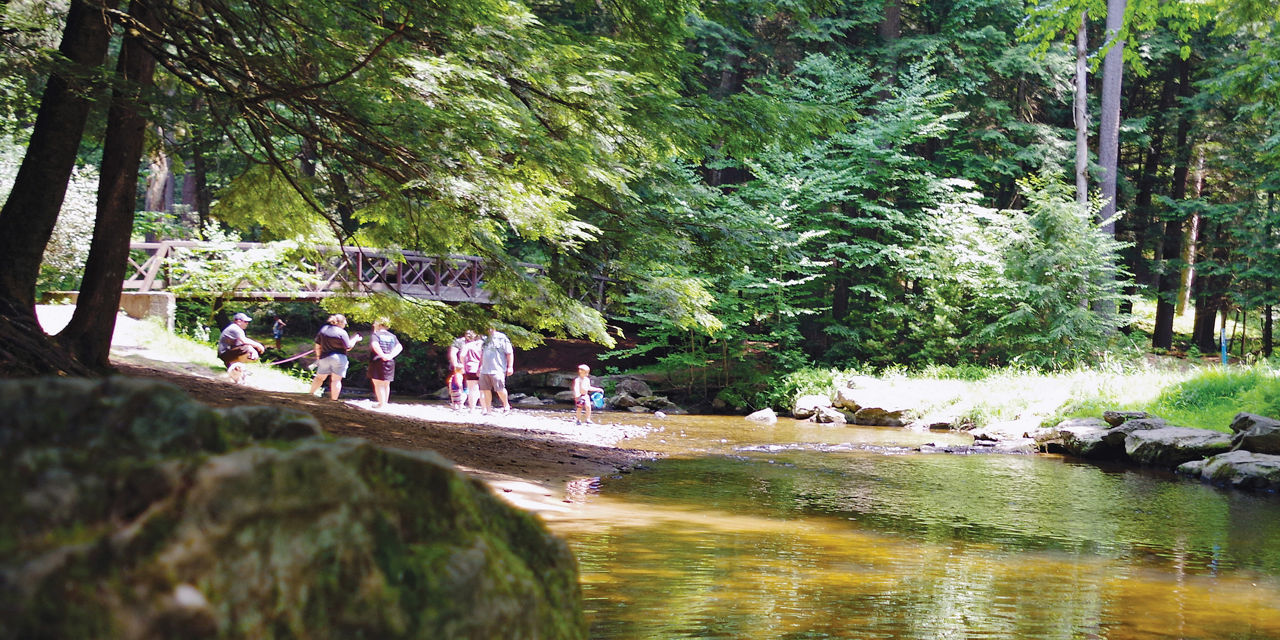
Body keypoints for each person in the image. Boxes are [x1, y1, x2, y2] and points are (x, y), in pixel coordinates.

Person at [309, 314, 362, 400]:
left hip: (324, 357)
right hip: (339, 358)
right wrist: (355, 339)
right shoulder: (342, 332)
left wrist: (318, 357)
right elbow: (348, 347)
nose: (345, 325)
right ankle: (334, 400)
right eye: (344, 323)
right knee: (336, 380)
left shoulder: (324, 329)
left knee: (319, 378)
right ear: (340, 323)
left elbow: (317, 345)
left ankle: (310, 394)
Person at [217, 312, 265, 384]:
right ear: (238, 321)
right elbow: (244, 341)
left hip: (226, 353)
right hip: (224, 354)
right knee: (247, 349)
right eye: (245, 321)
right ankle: (235, 366)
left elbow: (240, 343)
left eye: (247, 322)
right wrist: (259, 346)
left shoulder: (236, 328)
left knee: (248, 349)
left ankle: (236, 367)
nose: (247, 323)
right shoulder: (235, 328)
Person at [479, 325, 514, 415]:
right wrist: (479, 367)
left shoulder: (502, 338)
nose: (488, 329)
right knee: (485, 389)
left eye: (490, 327)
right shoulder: (484, 339)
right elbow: (482, 354)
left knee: (500, 389)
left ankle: (506, 406)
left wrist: (510, 367)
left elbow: (509, 353)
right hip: (484, 370)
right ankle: (488, 410)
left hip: (498, 369)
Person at [367, 319, 402, 408]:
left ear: (378, 324)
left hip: (378, 360)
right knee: (386, 383)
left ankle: (381, 404)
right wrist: (390, 356)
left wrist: (382, 355)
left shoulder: (376, 335)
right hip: (390, 362)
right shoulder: (392, 336)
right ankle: (384, 403)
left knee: (378, 383)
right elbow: (399, 347)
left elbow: (375, 345)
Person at [447, 330, 475, 411]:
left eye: (471, 334)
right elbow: (453, 353)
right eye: (467, 333)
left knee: (469, 386)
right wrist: (456, 365)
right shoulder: (459, 341)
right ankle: (455, 403)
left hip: (472, 367)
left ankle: (463, 403)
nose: (469, 335)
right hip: (459, 367)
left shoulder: (478, 342)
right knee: (456, 385)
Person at [459, 330, 482, 412]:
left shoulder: (468, 345)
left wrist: (463, 364)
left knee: (472, 389)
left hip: (471, 368)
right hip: (483, 369)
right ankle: (484, 409)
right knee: (483, 389)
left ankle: (472, 409)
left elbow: (462, 355)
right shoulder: (484, 345)